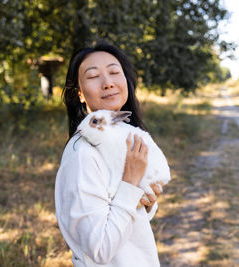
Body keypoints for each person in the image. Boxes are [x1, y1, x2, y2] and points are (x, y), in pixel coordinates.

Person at [55, 40, 164, 267]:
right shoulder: (83, 153)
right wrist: (131, 183)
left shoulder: (125, 136)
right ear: (80, 94)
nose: (107, 83)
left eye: (114, 72)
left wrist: (146, 201)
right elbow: (101, 250)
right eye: (93, 76)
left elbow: (128, 217)